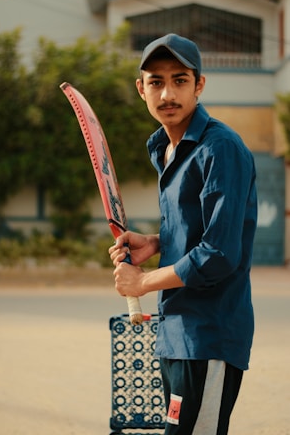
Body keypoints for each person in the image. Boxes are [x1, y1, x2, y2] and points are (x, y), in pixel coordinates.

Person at [109, 33, 257, 435]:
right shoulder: (167, 149)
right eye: (156, 82)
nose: (167, 93)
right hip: (175, 333)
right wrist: (155, 244)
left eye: (179, 80)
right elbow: (197, 230)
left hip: (208, 335)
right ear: (141, 89)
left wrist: (142, 280)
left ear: (199, 85)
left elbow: (219, 253)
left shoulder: (220, 148)